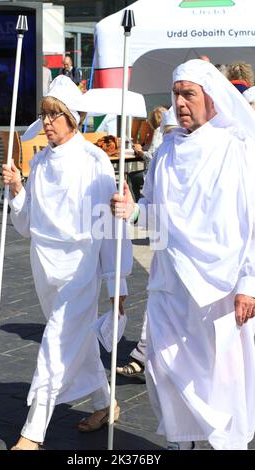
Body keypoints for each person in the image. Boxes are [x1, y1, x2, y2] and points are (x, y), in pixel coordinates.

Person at [111, 59, 255, 450]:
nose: (181, 102)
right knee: (163, 365)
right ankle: (182, 439)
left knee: (219, 376)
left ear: (211, 99)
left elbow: (251, 219)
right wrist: (133, 209)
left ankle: (227, 442)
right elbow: (154, 214)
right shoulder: (168, 150)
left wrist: (248, 282)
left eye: (189, 94)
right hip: (171, 280)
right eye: (176, 94)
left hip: (220, 287)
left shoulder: (236, 147)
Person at [2, 75, 132, 450]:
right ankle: (105, 403)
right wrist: (16, 190)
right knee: (76, 338)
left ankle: (32, 431)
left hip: (81, 268)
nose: (47, 121)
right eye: (44, 114)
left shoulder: (94, 162)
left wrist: (117, 285)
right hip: (43, 265)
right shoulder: (39, 162)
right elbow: (27, 225)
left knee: (57, 341)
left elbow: (109, 228)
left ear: (73, 118)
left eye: (55, 115)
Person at [116, 108, 178, 380]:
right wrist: (134, 210)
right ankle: (143, 352)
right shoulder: (164, 157)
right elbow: (150, 208)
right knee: (158, 298)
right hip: (168, 252)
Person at [128, 106, 168, 202]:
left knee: (131, 177)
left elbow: (151, 157)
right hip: (164, 171)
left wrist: (140, 152)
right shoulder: (169, 131)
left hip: (154, 174)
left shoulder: (158, 131)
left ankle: (136, 206)